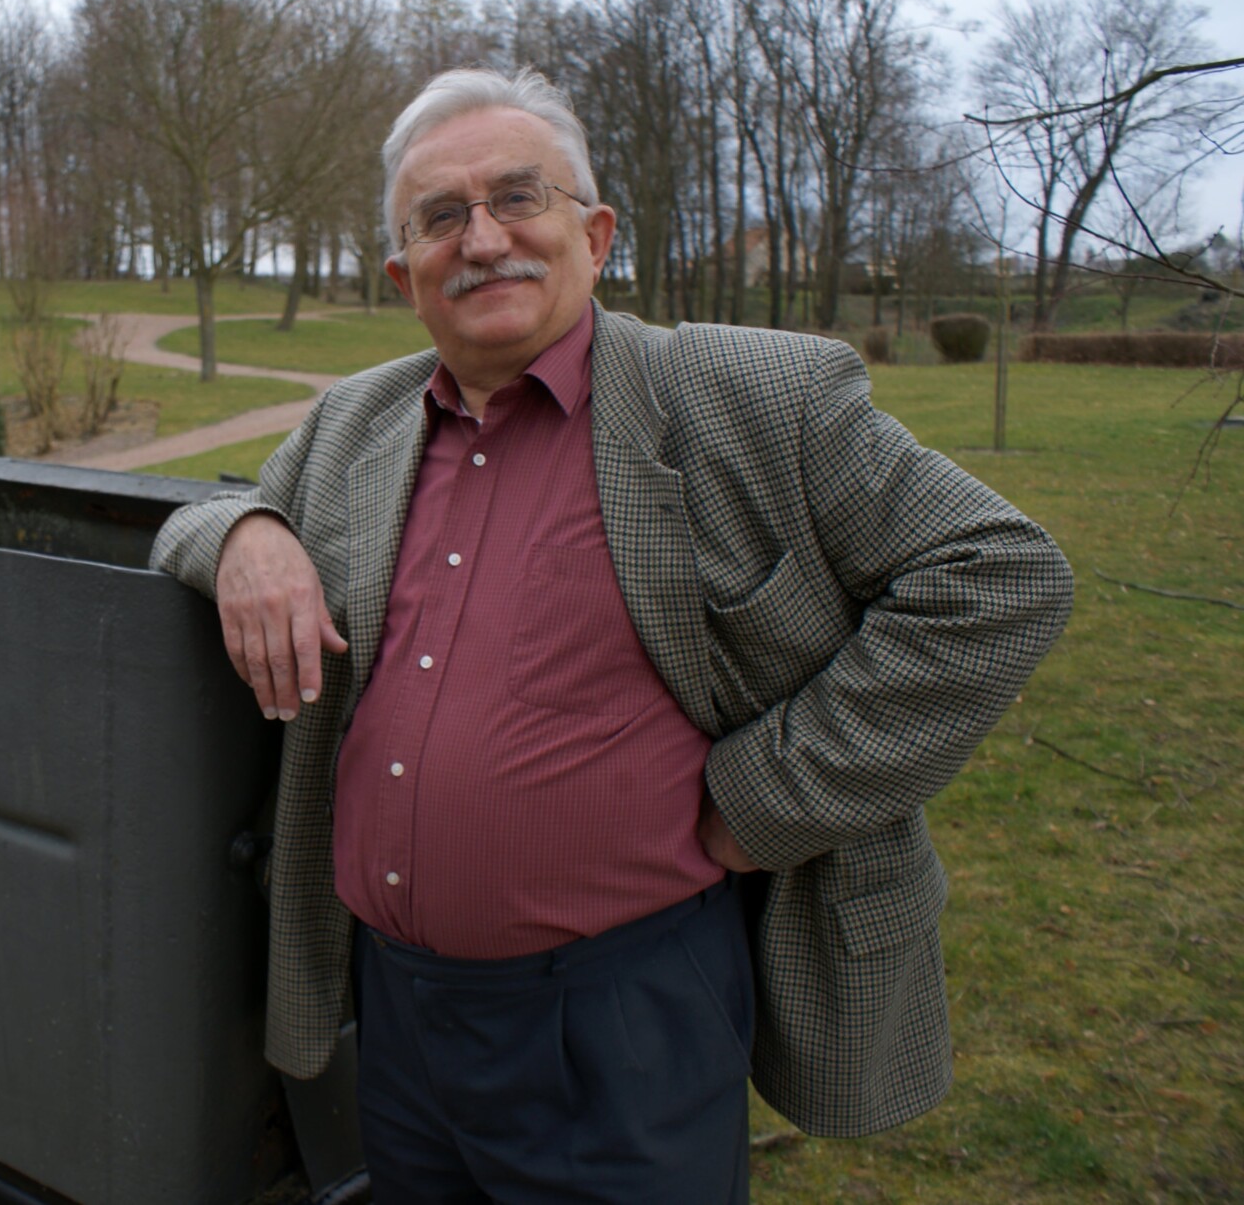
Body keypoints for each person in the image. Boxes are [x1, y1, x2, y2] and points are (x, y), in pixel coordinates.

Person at [150, 68, 1072, 1204]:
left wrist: (764, 801)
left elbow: (1001, 573)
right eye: (441, 217)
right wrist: (245, 532)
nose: (482, 239)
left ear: (594, 233)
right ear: (404, 274)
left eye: (517, 198)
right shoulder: (356, 422)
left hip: (625, 1014)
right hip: (397, 1012)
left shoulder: (747, 396)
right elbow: (189, 517)